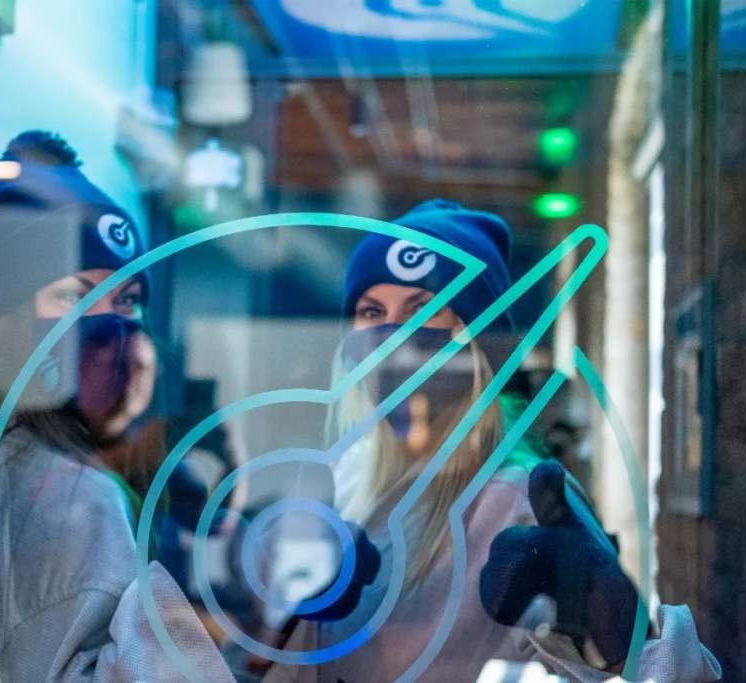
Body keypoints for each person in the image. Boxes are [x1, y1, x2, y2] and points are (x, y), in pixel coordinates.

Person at [263, 199, 721, 682]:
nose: (392, 336)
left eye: (425, 310)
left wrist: (624, 638)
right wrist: (278, 619)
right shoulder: (349, 480)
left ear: (476, 342)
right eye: (371, 311)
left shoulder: (520, 501)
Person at [0, 131, 234, 682]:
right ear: (9, 322)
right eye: (74, 297)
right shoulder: (70, 494)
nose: (112, 327)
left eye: (127, 299)